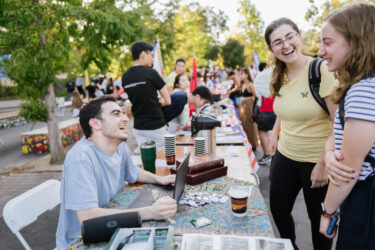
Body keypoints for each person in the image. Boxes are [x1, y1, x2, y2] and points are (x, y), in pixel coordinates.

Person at [56, 96, 177, 249]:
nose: (126, 118)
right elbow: (87, 217)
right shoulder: (80, 158)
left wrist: (161, 180)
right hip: (81, 240)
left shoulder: (118, 145)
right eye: (116, 114)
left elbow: (133, 173)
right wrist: (150, 212)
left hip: (113, 223)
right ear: (95, 124)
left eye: (123, 113)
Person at [265, 17, 338, 250]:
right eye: (277, 42)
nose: (285, 45)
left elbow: (340, 122)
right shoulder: (276, 76)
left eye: (289, 37)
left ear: (298, 35)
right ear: (271, 49)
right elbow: (284, 110)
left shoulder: (321, 70)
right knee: (277, 208)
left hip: (316, 159)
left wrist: (324, 163)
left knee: (318, 223)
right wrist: (275, 133)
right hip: (286, 155)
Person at [317, 3, 375, 249]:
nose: (320, 51)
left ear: (356, 41)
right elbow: (338, 129)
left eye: (328, 42)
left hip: (365, 203)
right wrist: (329, 153)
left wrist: (328, 212)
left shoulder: (363, 90)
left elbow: (349, 170)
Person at [122, 41, 171, 150]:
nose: (152, 59)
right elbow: (168, 100)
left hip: (138, 127)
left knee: (146, 160)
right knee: (161, 160)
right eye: (151, 55)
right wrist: (160, 101)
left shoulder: (125, 77)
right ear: (143, 54)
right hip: (156, 125)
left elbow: (138, 98)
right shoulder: (151, 73)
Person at [253, 62, 276, 164]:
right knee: (277, 132)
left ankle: (268, 154)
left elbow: (257, 93)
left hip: (266, 107)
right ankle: (275, 155)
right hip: (277, 107)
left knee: (262, 131)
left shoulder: (262, 76)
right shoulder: (277, 73)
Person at [238, 68, 259, 150]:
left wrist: (254, 108)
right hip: (243, 105)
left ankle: (253, 144)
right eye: (240, 74)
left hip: (249, 105)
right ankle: (248, 143)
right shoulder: (242, 84)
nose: (241, 76)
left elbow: (255, 96)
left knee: (250, 125)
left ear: (247, 74)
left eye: (242, 74)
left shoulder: (250, 84)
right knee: (244, 124)